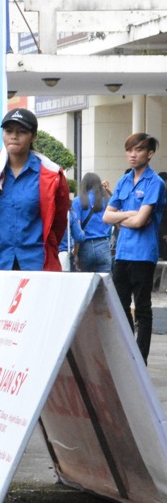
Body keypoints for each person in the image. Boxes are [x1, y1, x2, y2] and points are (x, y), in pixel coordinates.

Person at [0, 108, 69, 272]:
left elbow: (59, 222)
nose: (14, 136)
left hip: (37, 263)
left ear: (33, 136)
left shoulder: (51, 175)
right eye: (8, 131)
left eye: (21, 132)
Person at [103, 133, 166, 364]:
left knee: (142, 309)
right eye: (129, 150)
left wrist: (120, 218)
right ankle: (128, 354)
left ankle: (140, 359)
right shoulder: (124, 180)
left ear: (149, 154)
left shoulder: (155, 183)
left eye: (138, 150)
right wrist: (130, 214)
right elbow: (106, 216)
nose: (132, 154)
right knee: (120, 307)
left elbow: (141, 223)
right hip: (122, 253)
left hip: (143, 254)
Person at [69, 172, 112, 273]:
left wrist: (75, 253)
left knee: (85, 284)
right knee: (104, 284)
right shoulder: (106, 200)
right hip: (103, 244)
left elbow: (77, 230)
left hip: (85, 246)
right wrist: (109, 191)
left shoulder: (77, 201)